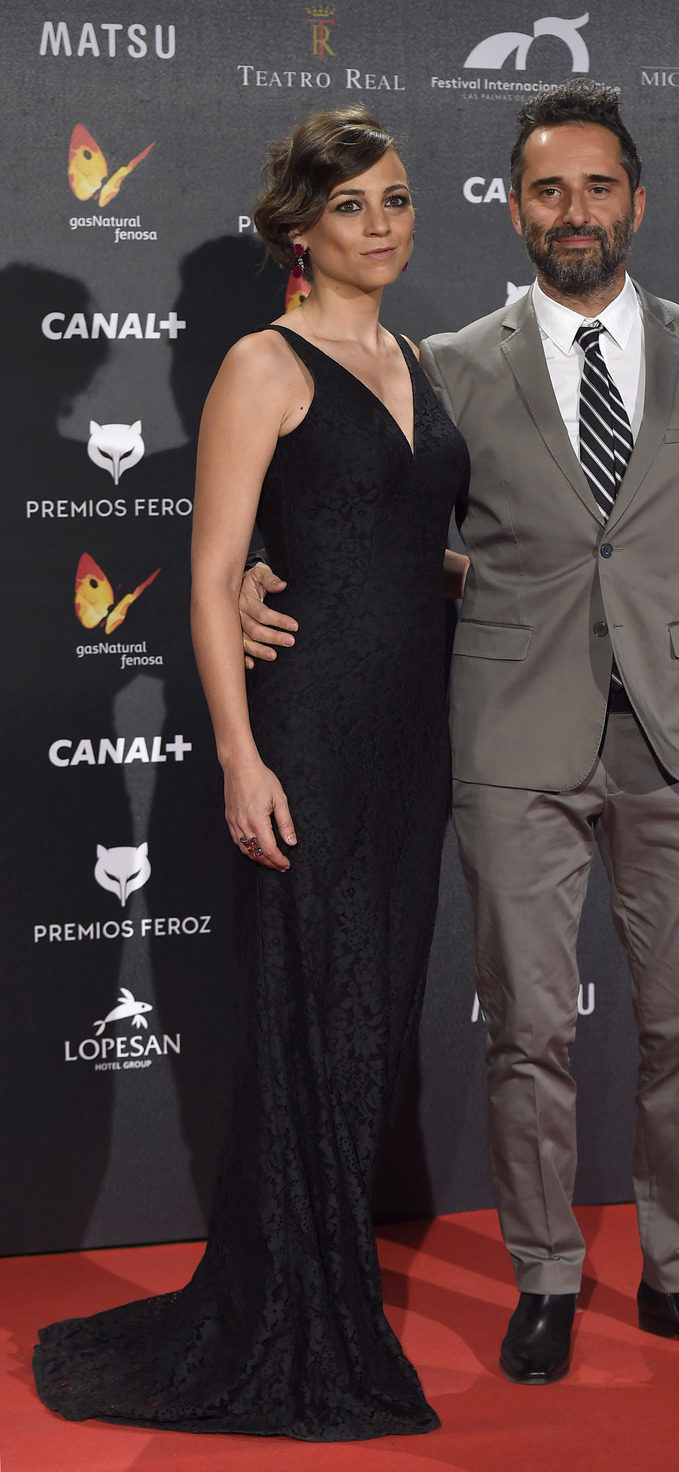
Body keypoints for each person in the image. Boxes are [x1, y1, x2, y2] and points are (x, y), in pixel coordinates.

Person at [241, 81, 679, 1386]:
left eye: (598, 187)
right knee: (529, 1028)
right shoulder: (455, 365)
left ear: (638, 203)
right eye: (549, 190)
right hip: (508, 740)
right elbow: (370, 520)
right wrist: (256, 576)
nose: (576, 211)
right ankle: (545, 1276)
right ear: (513, 209)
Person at [33, 106, 468, 1440]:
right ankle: (293, 1316)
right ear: (298, 231)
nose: (383, 224)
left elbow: (403, 535)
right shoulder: (261, 368)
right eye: (353, 208)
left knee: (373, 1028)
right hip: (309, 738)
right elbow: (214, 583)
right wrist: (238, 755)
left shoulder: (413, 356)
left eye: (395, 200)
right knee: (311, 1025)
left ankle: (324, 1279)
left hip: (413, 742)